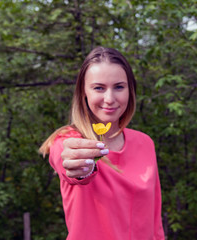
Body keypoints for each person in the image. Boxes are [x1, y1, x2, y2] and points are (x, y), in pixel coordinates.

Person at [39, 46, 165, 240]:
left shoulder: (145, 143)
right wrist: (82, 168)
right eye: (99, 88)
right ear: (84, 92)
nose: (109, 98)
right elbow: (68, 161)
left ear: (130, 91)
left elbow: (155, 219)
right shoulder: (67, 141)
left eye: (119, 87)